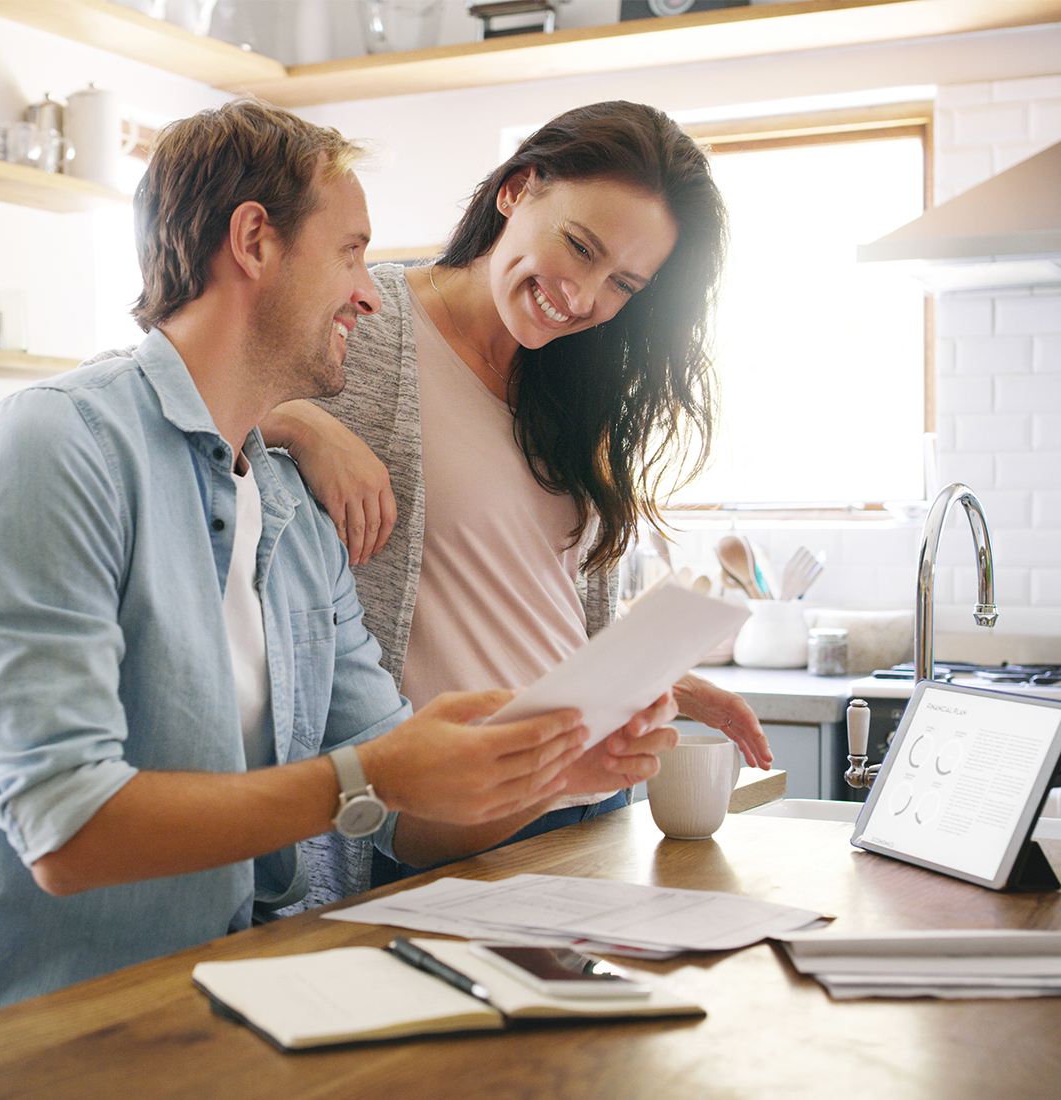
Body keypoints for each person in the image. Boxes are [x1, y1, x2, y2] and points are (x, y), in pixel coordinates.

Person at [0, 99, 678, 1031]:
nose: (370, 294)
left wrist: (552, 767)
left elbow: (406, 819)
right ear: (254, 242)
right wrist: (369, 775)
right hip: (52, 1037)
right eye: (351, 253)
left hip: (241, 1011)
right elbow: (63, 828)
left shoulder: (295, 518)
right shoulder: (53, 447)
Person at [262, 101, 774, 896]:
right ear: (517, 189)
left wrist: (648, 678)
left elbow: (531, 600)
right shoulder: (367, 322)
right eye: (580, 247)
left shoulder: (577, 385)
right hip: (438, 820)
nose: (584, 296)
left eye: (624, 283)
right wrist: (301, 425)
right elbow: (178, 381)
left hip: (589, 804)